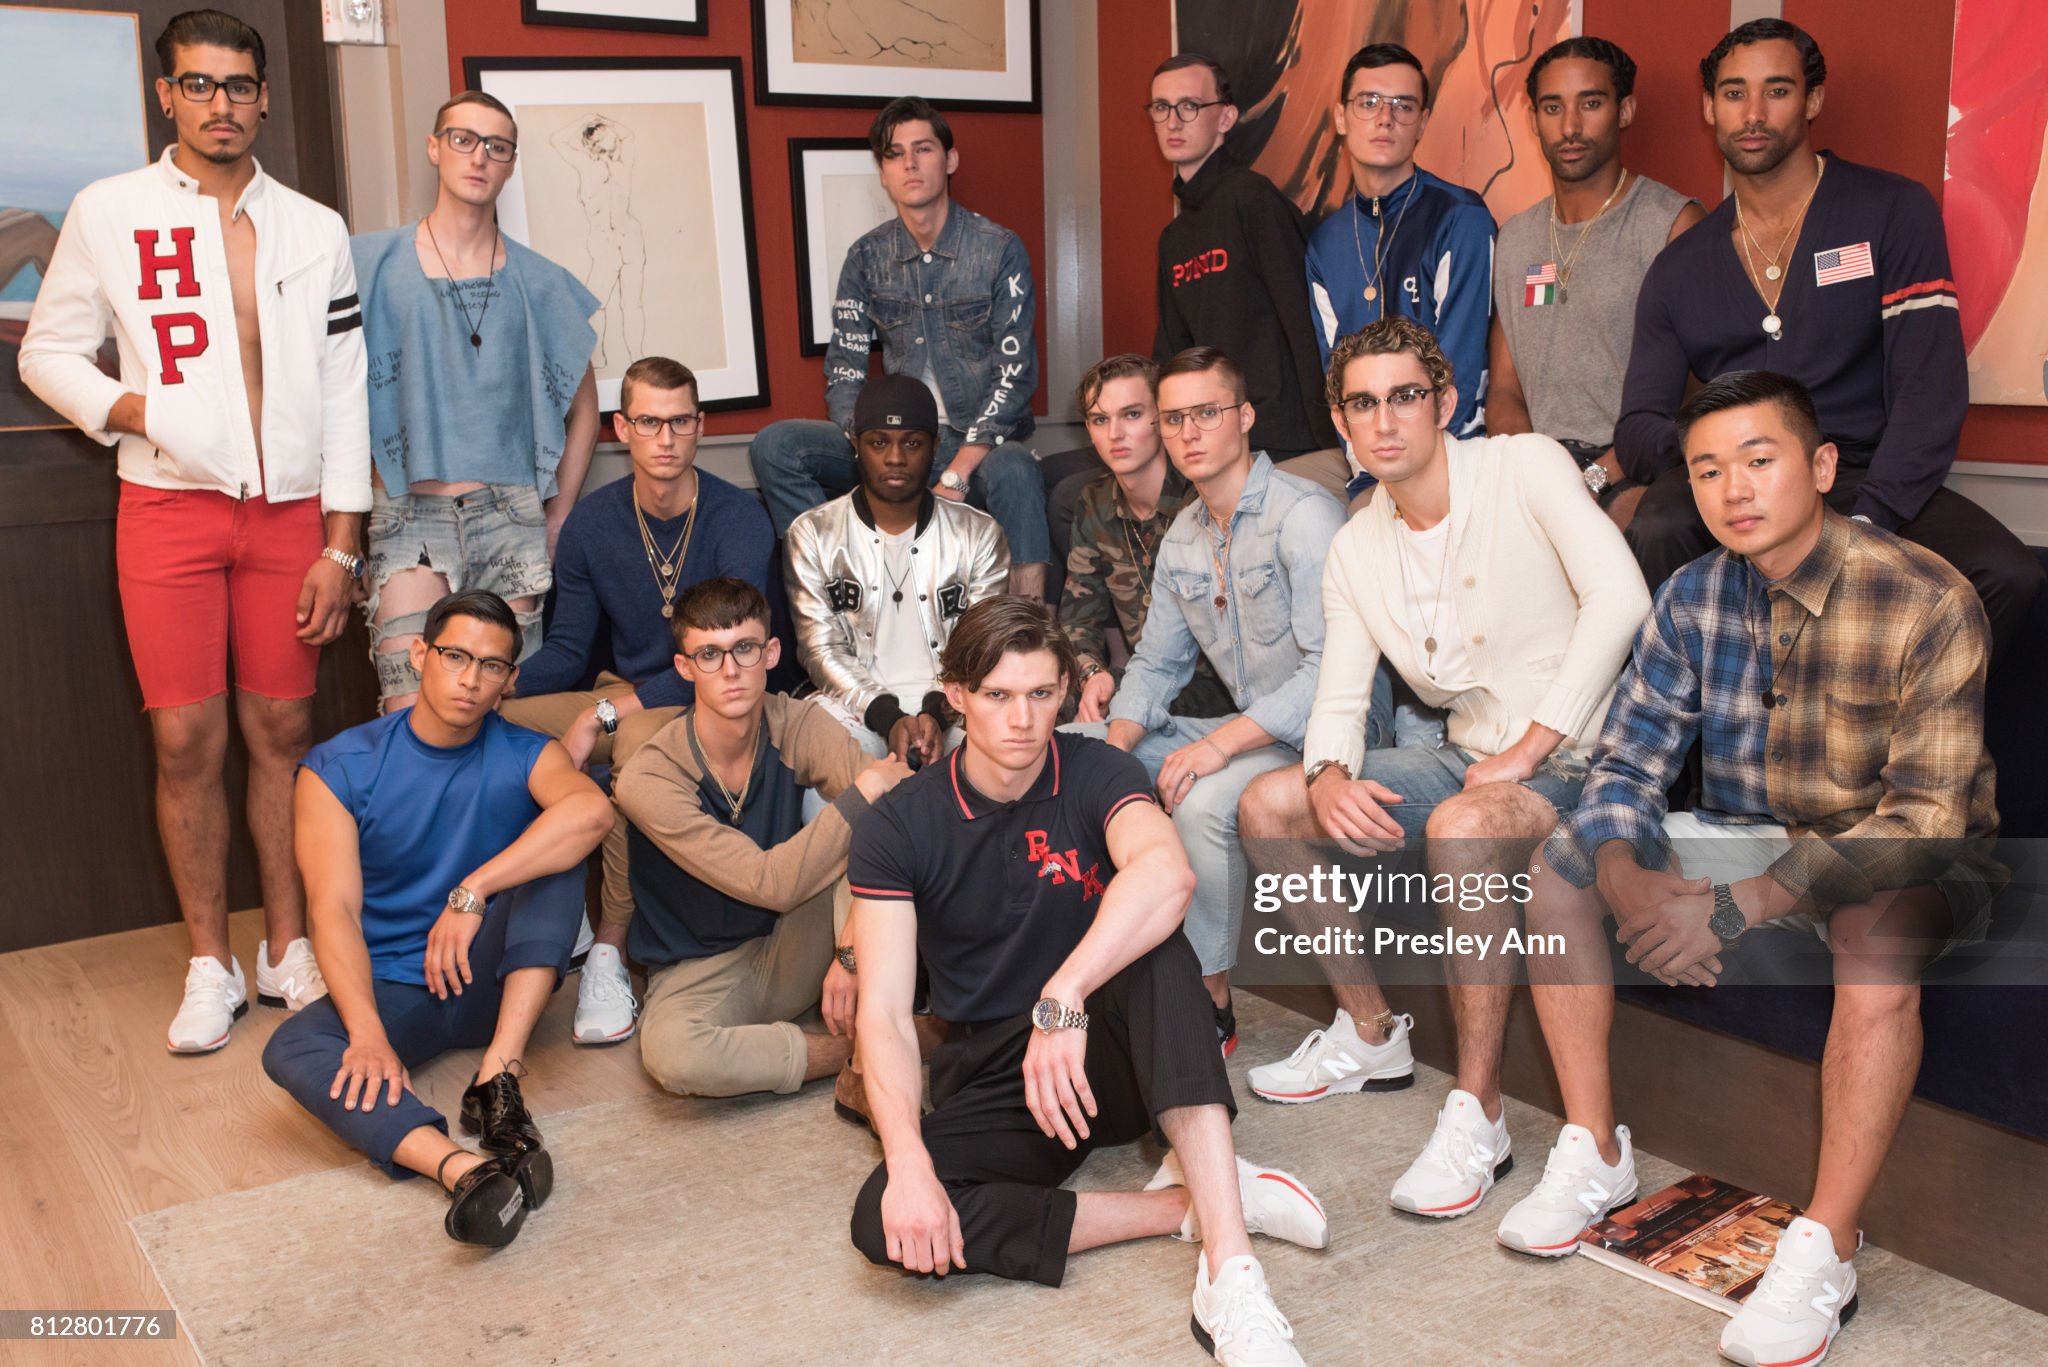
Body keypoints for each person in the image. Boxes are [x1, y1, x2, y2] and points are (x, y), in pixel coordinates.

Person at [1501, 370, 2000, 1367]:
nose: (1733, 488)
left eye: (1758, 460)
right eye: (1707, 469)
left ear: (1820, 466)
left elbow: (1925, 817)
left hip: (1906, 850)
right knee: (1558, 864)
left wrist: (1734, 906)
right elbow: (1625, 766)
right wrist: (1623, 878)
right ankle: (1596, 1149)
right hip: (1745, 828)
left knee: (1873, 937)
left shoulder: (1926, 596)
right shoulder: (1690, 595)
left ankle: (1827, 1245)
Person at [1236, 317, 1648, 1222]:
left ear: (1447, 402)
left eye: (1405, 397)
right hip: (1468, 760)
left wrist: (1530, 746)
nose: (1384, 421)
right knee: (1268, 803)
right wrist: (1327, 775)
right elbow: (1340, 698)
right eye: (1362, 403)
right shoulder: (1356, 546)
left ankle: (1478, 1112)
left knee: (1462, 826)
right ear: (1341, 422)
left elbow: (1621, 597)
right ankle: (1371, 1033)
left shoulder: (1525, 465)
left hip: (1585, 760)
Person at [846, 596, 1326, 1366]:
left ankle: (1230, 1270)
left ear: (1066, 690)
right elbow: (884, 1015)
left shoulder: (1099, 769)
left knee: (1159, 952)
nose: (1022, 719)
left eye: (1041, 693)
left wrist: (1063, 996)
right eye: (997, 695)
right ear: (957, 694)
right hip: (1002, 1077)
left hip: (1113, 1048)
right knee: (885, 1215)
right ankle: (1192, 1202)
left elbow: (1167, 873)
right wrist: (907, 1163)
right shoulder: (899, 825)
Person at [18, 9, 369, 1051]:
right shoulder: (110, 210)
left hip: (290, 515)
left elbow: (346, 391)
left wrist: (342, 543)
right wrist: (141, 410)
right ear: (166, 94)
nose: (221, 104)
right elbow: (47, 352)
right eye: (199, 84)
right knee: (184, 738)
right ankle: (210, 961)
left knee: (283, 733)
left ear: (263, 98)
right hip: (167, 507)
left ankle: (286, 946)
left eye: (239, 85)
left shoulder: (314, 227)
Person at [1614, 18, 2042, 662]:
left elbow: (1929, 392)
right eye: (1733, 93)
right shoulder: (1681, 265)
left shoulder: (1891, 210)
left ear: (1812, 100)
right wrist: (1723, 459)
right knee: (1660, 525)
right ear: (1709, 108)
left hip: (1859, 475)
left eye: (1777, 90)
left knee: (2006, 575)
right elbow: (1638, 425)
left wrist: (1865, 525)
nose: (1752, 114)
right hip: (1736, 482)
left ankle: (1891, 715)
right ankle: (1702, 723)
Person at [261, 591, 612, 1248]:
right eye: (455, 656)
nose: (471, 679)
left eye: (491, 665)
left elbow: (591, 813)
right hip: (397, 990)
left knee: (559, 848)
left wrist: (471, 892)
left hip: (492, 981)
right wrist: (367, 1032)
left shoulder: (528, 752)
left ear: (509, 680)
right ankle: (463, 1170)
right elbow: (333, 909)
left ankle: (497, 1080)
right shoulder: (340, 767)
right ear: (420, 654)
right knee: (291, 1047)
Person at [500, 355, 774, 1047]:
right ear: (622, 429)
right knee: (492, 725)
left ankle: (610, 949)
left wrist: (605, 713)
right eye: (649, 422)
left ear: (700, 426)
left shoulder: (738, 518)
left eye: (680, 421)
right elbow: (569, 649)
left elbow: (726, 654)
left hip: (708, 696)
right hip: (624, 694)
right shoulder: (593, 524)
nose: (666, 438)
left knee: (632, 745)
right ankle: (544, 908)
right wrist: (499, 680)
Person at [1103, 347, 1352, 1055]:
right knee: (1077, 750)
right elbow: (1157, 663)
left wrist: (1217, 745)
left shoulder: (1304, 516)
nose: (1188, 433)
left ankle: (1208, 1002)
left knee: (1204, 799)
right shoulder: (1185, 535)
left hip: (1328, 732)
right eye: (1173, 418)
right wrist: (1113, 752)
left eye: (1206, 413)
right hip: (1250, 729)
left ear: (1243, 417)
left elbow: (1330, 673)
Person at [612, 577, 913, 1103]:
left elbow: (902, 812)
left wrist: (849, 947)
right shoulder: (651, 776)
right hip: (699, 969)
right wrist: (867, 788)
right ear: (684, 667)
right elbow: (769, 882)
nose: (730, 671)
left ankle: (880, 1043)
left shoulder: (794, 721)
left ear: (771, 653)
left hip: (797, 935)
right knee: (675, 1055)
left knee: (875, 833)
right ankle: (874, 1046)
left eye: (745, 648)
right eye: (709, 654)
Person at [350, 89, 602, 710]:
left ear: (510, 164)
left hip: (509, 516)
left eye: (497, 146)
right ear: (434, 148)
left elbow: (585, 408)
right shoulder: (366, 265)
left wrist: (559, 515)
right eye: (463, 139)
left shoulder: (541, 281)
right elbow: (330, 401)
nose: (479, 156)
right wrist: (342, 527)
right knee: (408, 707)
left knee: (501, 710)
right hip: (408, 515)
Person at [750, 97, 1050, 599]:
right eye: (895, 154)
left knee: (1018, 470)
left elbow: (1014, 375)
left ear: (949, 160)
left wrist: (957, 473)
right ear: (884, 173)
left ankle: (1030, 626)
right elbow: (845, 371)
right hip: (896, 439)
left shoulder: (999, 249)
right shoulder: (866, 256)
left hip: (978, 444)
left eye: (923, 149)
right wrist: (869, 446)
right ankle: (839, 585)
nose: (910, 163)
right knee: (776, 446)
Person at [1485, 38, 1703, 527]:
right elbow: (1504, 388)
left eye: (1590, 103)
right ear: (1533, 119)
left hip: (1638, 470)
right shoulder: (1516, 237)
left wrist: (1596, 479)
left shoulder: (1671, 224)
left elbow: (1695, 393)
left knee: (1643, 528)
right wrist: (1532, 474)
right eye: (1552, 107)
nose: (1570, 127)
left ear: (1624, 110)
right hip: (1540, 468)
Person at [786, 373, 1010, 766]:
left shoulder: (978, 534)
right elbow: (820, 648)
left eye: (912, 442)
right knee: (826, 767)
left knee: (1001, 758)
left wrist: (937, 712)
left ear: (934, 447)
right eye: (879, 442)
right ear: (856, 444)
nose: (895, 458)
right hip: (855, 703)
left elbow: (983, 647)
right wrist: (886, 717)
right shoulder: (813, 534)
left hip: (959, 702)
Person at [1304, 41, 1496, 493]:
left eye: (1403, 106)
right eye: (1368, 102)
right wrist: (1368, 471)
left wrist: (1405, 478)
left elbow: (1461, 368)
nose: (1385, 118)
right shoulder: (1326, 243)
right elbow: (1336, 376)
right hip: (1369, 465)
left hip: (1453, 459)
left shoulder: (1460, 218)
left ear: (1422, 122)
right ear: (1341, 117)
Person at [1058, 354, 1234, 725]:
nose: (1114, 434)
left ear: (1163, 418)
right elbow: (1077, 623)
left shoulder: (1202, 498)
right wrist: (1093, 674)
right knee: (1048, 697)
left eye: (1132, 414)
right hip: (1144, 681)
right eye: (1100, 419)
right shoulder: (1095, 502)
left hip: (1219, 688)